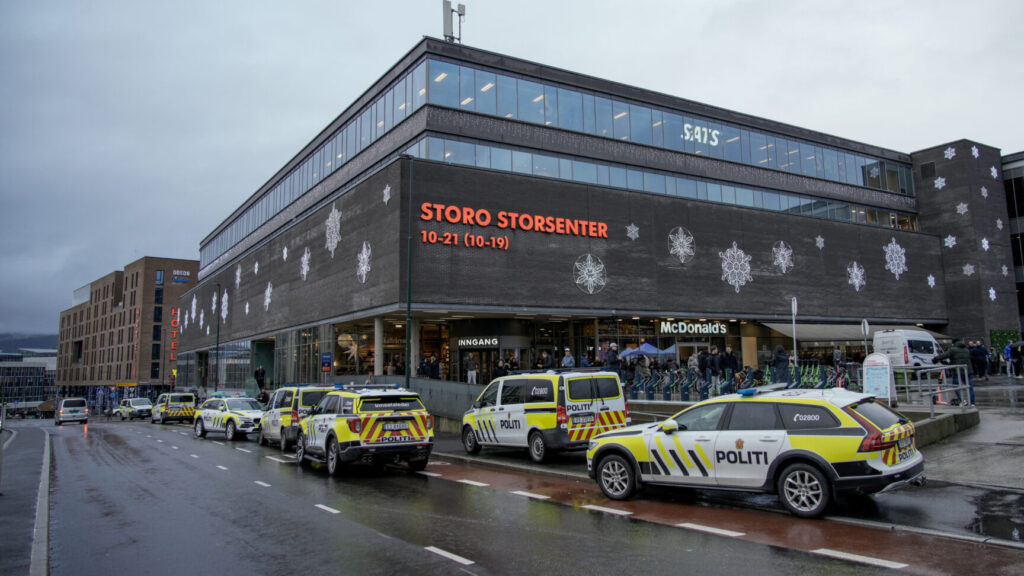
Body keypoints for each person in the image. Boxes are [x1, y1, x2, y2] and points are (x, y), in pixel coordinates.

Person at [933, 339, 974, 405]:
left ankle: (962, 400)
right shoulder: (966, 350)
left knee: (956, 386)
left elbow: (944, 355)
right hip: (968, 371)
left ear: (953, 343)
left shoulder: (953, 350)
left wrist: (935, 359)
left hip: (957, 371)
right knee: (969, 387)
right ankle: (972, 403)